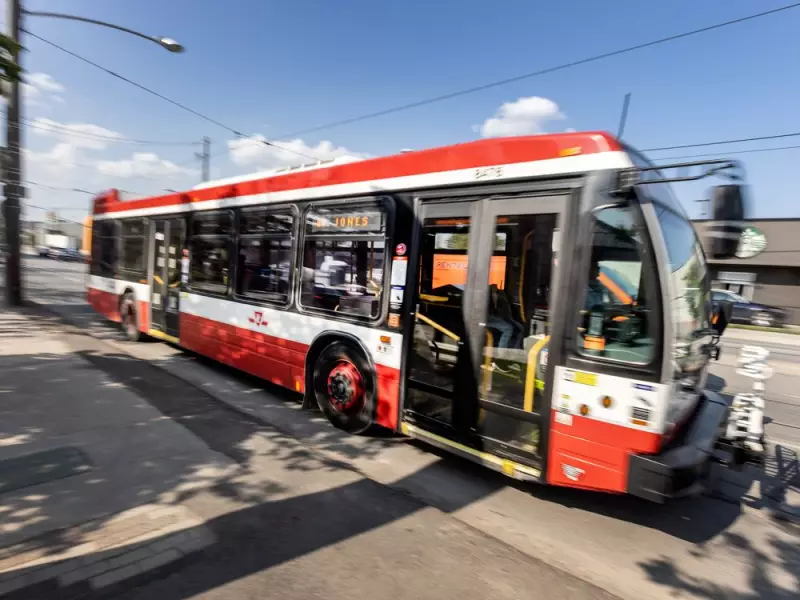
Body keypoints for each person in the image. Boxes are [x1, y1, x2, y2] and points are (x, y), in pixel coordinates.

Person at [487, 284, 524, 349]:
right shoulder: (494, 292)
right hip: (487, 317)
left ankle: (514, 349)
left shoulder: (501, 293)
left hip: (497, 316)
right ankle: (501, 353)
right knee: (508, 328)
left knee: (520, 328)